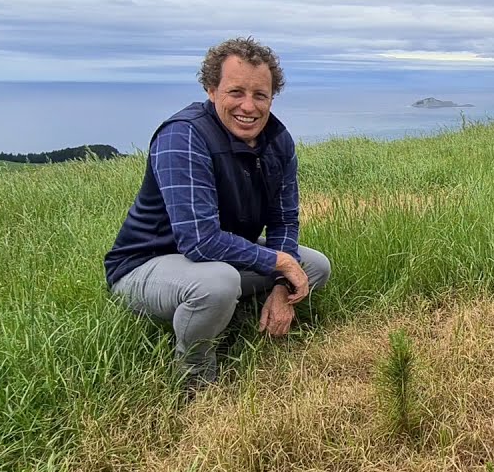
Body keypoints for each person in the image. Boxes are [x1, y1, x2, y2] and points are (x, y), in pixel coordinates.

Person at [104, 37, 330, 391]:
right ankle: (196, 379)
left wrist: (283, 286)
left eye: (260, 95)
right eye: (235, 92)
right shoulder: (183, 136)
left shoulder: (278, 141)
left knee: (315, 265)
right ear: (211, 89)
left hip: (219, 257)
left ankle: (237, 314)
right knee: (218, 283)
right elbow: (198, 240)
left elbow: (284, 220)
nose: (249, 106)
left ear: (272, 97)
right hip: (145, 265)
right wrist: (280, 265)